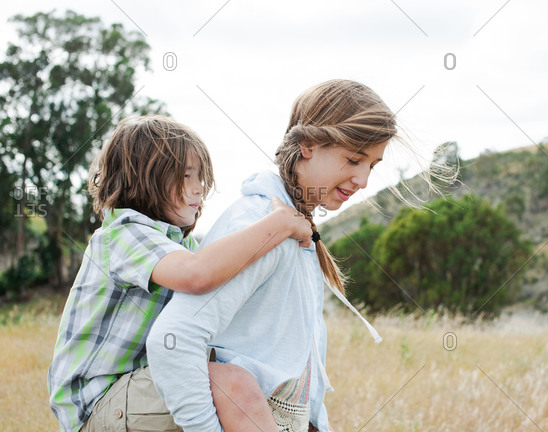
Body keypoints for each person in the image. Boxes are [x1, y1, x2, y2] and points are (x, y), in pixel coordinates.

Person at [146, 79, 454, 432]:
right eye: (354, 159)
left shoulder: (295, 228)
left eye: (372, 165)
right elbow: (172, 340)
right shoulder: (262, 228)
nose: (363, 180)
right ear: (307, 144)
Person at [47, 115, 313, 432]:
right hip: (101, 402)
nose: (199, 187)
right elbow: (197, 275)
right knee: (233, 383)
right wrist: (278, 224)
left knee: (238, 370)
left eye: (202, 176)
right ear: (142, 179)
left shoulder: (177, 242)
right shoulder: (124, 234)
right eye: (187, 175)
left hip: (138, 390)